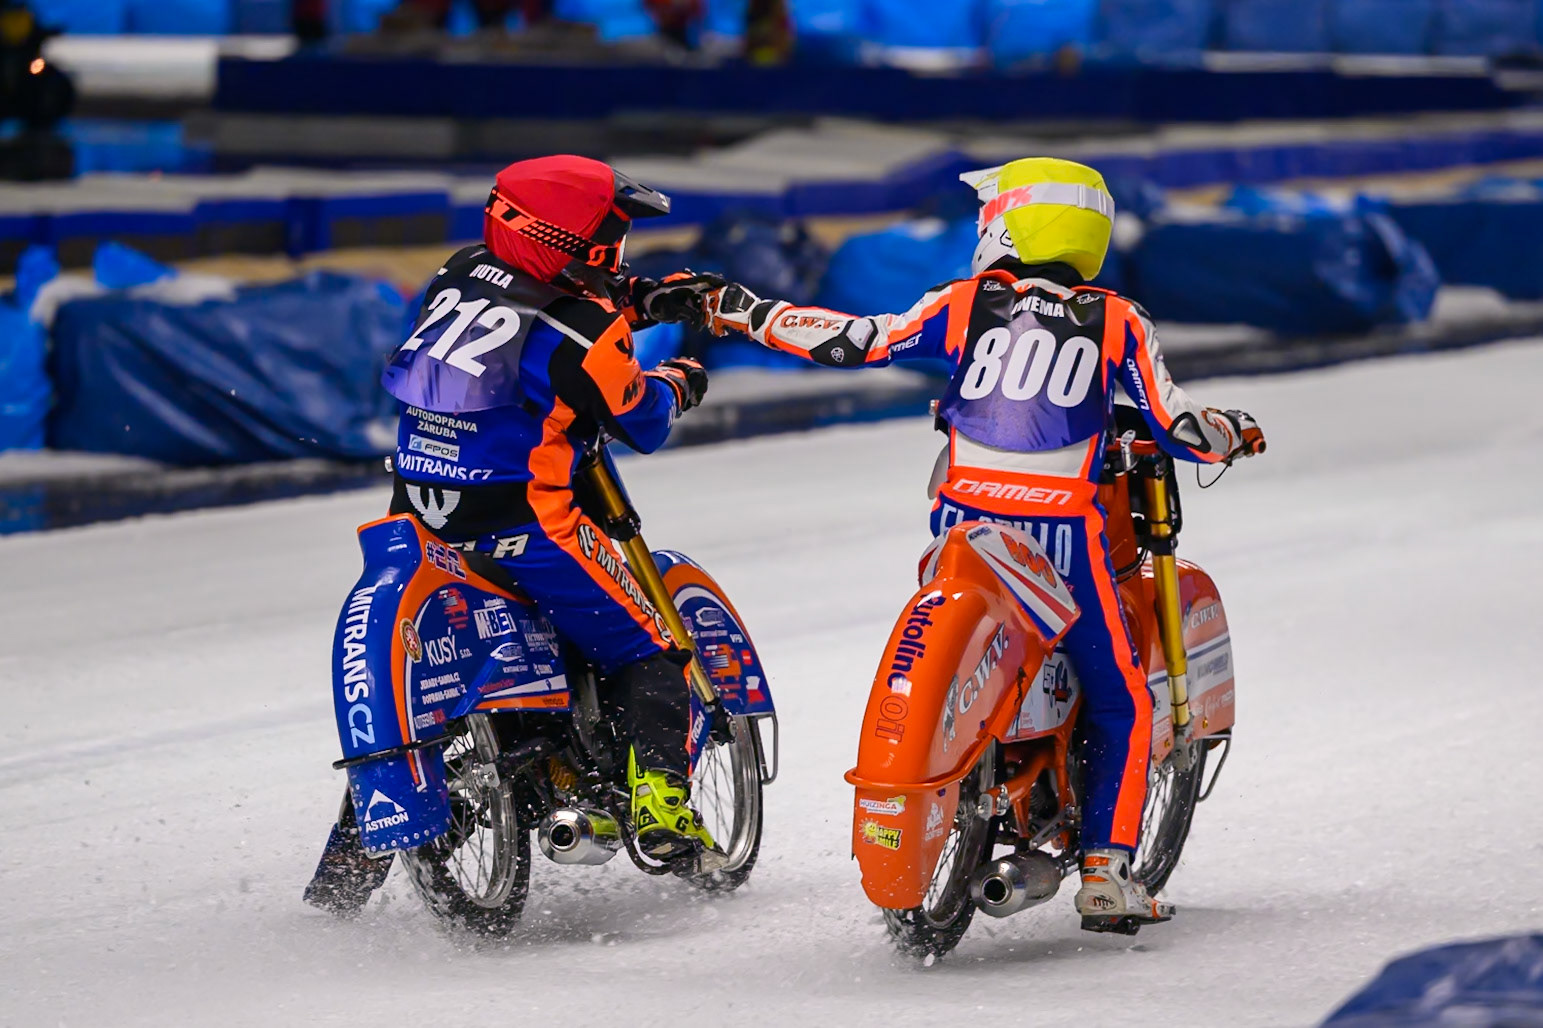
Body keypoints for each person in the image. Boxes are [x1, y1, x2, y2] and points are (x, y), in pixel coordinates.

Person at [700, 157, 1266, 930]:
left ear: (1010, 225)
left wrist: (748, 313)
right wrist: (1231, 431)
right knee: (1124, 700)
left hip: (964, 525)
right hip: (1062, 538)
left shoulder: (966, 303)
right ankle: (1104, 870)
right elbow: (1177, 428)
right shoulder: (1119, 319)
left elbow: (857, 339)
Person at [306, 155, 723, 913]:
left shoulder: (458, 270)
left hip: (420, 508)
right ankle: (663, 807)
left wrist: (640, 299)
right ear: (568, 238)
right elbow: (643, 421)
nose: (616, 251)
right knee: (648, 643)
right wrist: (677, 379)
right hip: (523, 521)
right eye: (609, 237)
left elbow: (533, 317)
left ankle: (346, 874)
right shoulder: (590, 332)